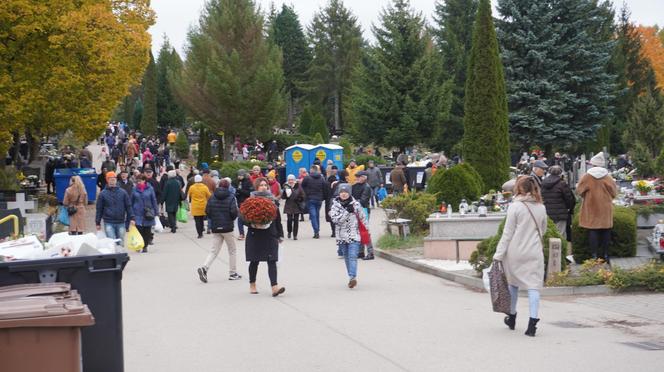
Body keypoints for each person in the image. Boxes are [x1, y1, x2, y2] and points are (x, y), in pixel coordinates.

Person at [493, 176, 547, 337]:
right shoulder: (541, 207)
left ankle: (512, 316)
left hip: (515, 251)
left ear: (519, 189)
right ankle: (532, 323)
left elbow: (507, 233)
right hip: (534, 250)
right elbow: (543, 230)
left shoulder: (515, 207)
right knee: (533, 286)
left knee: (513, 284)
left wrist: (498, 254)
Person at [245, 177, 285, 296]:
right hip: (255, 234)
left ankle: (274, 287)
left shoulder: (273, 201)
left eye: (265, 185)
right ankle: (252, 284)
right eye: (261, 185)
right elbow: (242, 217)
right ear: (256, 187)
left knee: (272, 260)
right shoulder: (250, 201)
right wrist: (252, 223)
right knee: (254, 261)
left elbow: (277, 219)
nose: (264, 187)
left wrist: (280, 234)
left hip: (270, 234)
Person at [197, 179, 242, 282]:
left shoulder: (212, 197)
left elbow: (208, 211)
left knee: (214, 250)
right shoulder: (231, 197)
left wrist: (214, 219)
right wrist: (231, 219)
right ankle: (232, 272)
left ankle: (205, 267)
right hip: (227, 227)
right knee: (232, 250)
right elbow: (234, 212)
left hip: (216, 226)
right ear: (228, 186)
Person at [577, 152, 618, 263]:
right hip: (605, 207)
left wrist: (586, 195)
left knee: (593, 230)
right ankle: (605, 254)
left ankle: (594, 255)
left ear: (593, 164)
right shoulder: (608, 177)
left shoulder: (587, 176)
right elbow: (614, 192)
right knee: (606, 230)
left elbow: (579, 190)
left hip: (591, 207)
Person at [329, 183, 366, 289]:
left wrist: (366, 231)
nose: (344, 194)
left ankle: (352, 277)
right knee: (346, 257)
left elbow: (363, 218)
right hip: (341, 236)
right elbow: (336, 220)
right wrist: (346, 212)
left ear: (349, 193)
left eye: (346, 192)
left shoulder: (356, 204)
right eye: (342, 192)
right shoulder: (335, 205)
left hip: (354, 234)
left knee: (353, 256)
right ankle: (351, 275)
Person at [95, 171, 135, 246]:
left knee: (121, 242)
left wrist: (132, 218)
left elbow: (128, 206)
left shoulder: (123, 193)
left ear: (116, 180)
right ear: (107, 180)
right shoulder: (103, 194)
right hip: (108, 221)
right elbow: (99, 209)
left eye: (114, 179)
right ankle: (113, 256)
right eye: (110, 179)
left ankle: (120, 255)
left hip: (120, 221)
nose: (112, 181)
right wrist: (98, 222)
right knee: (111, 242)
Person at [541, 166, 575, 240]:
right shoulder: (562, 184)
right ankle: (561, 251)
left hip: (547, 212)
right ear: (560, 174)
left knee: (549, 234)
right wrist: (569, 208)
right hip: (561, 213)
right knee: (560, 235)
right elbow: (569, 198)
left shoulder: (543, 183)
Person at [131, 174, 158, 252]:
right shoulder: (134, 189)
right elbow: (131, 201)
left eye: (140, 180)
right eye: (137, 181)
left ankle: (145, 246)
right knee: (139, 230)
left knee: (147, 230)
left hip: (148, 212)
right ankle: (139, 244)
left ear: (144, 181)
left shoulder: (150, 189)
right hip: (137, 212)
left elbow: (154, 200)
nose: (139, 182)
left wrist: (156, 212)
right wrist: (131, 213)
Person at [301, 165, 328, 239]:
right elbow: (325, 188)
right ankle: (317, 231)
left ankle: (316, 231)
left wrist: (305, 195)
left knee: (313, 216)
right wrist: (324, 198)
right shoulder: (322, 178)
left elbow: (302, 187)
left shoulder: (307, 178)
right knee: (316, 215)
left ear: (311, 170)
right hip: (319, 200)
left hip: (310, 199)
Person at [352, 171, 374, 260]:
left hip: (364, 210)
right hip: (357, 210)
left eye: (359, 177)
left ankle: (370, 252)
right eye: (357, 177)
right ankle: (361, 252)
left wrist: (354, 202)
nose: (357, 178)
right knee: (359, 231)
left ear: (364, 177)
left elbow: (363, 200)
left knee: (365, 231)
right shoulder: (356, 186)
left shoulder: (367, 187)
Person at [188, 175, 212, 239]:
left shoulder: (192, 187)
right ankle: (201, 230)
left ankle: (199, 233)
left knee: (197, 220)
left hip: (195, 206)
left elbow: (189, 194)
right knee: (201, 219)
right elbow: (209, 195)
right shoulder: (205, 187)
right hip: (203, 205)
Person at [282, 175, 305, 240]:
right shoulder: (286, 186)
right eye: (289, 180)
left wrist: (299, 198)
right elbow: (283, 197)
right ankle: (289, 231)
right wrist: (285, 193)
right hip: (289, 205)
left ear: (294, 180)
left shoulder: (298, 186)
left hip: (296, 205)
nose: (290, 181)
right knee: (289, 220)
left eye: (292, 179)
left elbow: (303, 195)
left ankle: (295, 235)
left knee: (296, 220)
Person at [234, 169, 253, 240]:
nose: (239, 177)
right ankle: (241, 233)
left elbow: (249, 193)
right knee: (240, 218)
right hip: (240, 202)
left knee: (249, 218)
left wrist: (240, 191)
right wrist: (236, 193)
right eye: (238, 175)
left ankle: (251, 232)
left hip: (247, 202)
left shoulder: (248, 182)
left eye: (240, 175)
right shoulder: (237, 182)